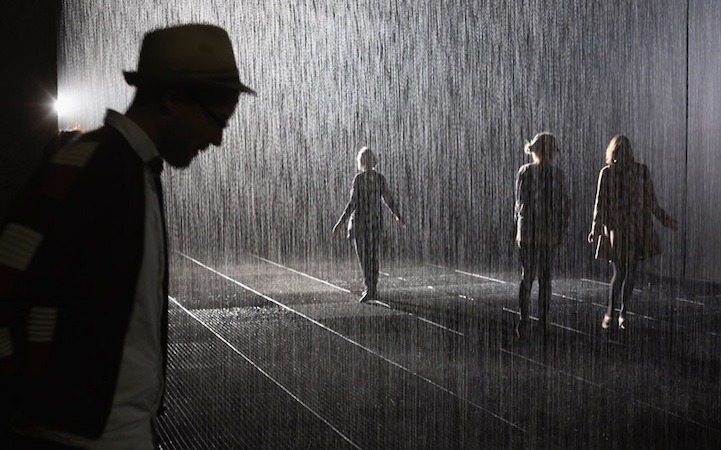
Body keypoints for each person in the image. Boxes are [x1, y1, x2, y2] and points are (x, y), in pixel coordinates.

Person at [0, 24, 254, 448]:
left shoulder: (138, 172)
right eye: (216, 120)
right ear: (172, 98)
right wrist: (20, 399)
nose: (217, 139)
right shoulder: (88, 168)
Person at [588, 135, 678, 330]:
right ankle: (614, 312)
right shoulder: (609, 173)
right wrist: (595, 228)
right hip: (618, 230)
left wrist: (665, 219)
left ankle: (621, 313)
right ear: (614, 153)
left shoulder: (639, 171)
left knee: (629, 272)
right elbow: (600, 203)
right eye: (620, 151)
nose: (623, 154)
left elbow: (651, 201)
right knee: (621, 272)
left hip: (633, 228)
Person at [332, 146, 406, 303]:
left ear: (361, 162)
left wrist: (340, 223)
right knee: (373, 256)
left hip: (360, 224)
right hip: (375, 223)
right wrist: (398, 216)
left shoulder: (359, 179)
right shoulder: (380, 179)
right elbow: (388, 199)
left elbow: (352, 204)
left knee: (364, 257)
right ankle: (373, 288)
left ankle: (369, 288)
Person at [514, 132, 569, 339]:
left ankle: (524, 318)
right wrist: (562, 229)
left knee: (527, 275)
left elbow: (519, 203)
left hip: (528, 230)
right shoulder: (558, 175)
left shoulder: (525, 172)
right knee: (545, 278)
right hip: (548, 231)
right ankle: (543, 321)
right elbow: (564, 205)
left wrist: (516, 228)